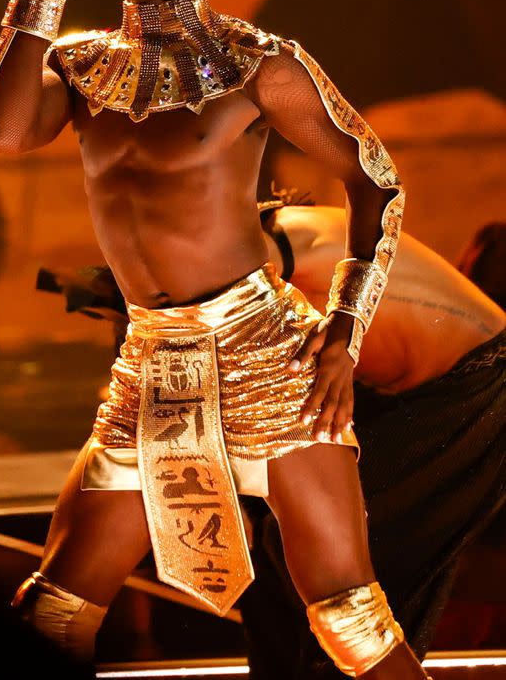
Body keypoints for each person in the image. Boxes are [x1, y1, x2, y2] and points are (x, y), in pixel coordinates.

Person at [0, 0, 429, 678]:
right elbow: (2, 130)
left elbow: (377, 181)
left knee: (348, 615)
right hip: (150, 362)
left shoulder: (260, 65)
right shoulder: (80, 59)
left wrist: (342, 330)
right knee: (52, 610)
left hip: (268, 359)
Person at [40, 198, 506, 675]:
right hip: (406, 392)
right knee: (293, 569)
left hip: (473, 388)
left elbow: (204, 315)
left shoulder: (278, 242)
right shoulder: (270, 244)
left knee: (352, 585)